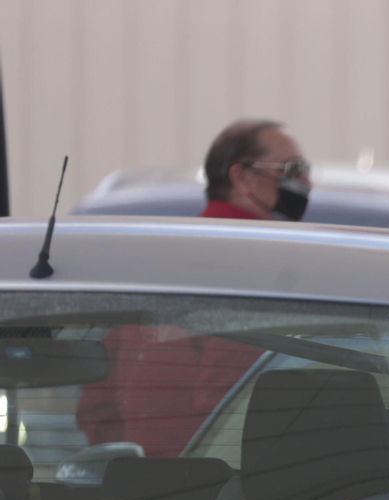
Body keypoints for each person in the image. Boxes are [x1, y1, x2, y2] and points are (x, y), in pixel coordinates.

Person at [77, 120, 312, 455]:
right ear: (241, 177)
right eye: (293, 169)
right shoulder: (258, 266)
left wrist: (133, 469)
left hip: (138, 488)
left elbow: (98, 405)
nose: (306, 181)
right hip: (219, 489)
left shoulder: (156, 262)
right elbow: (232, 401)